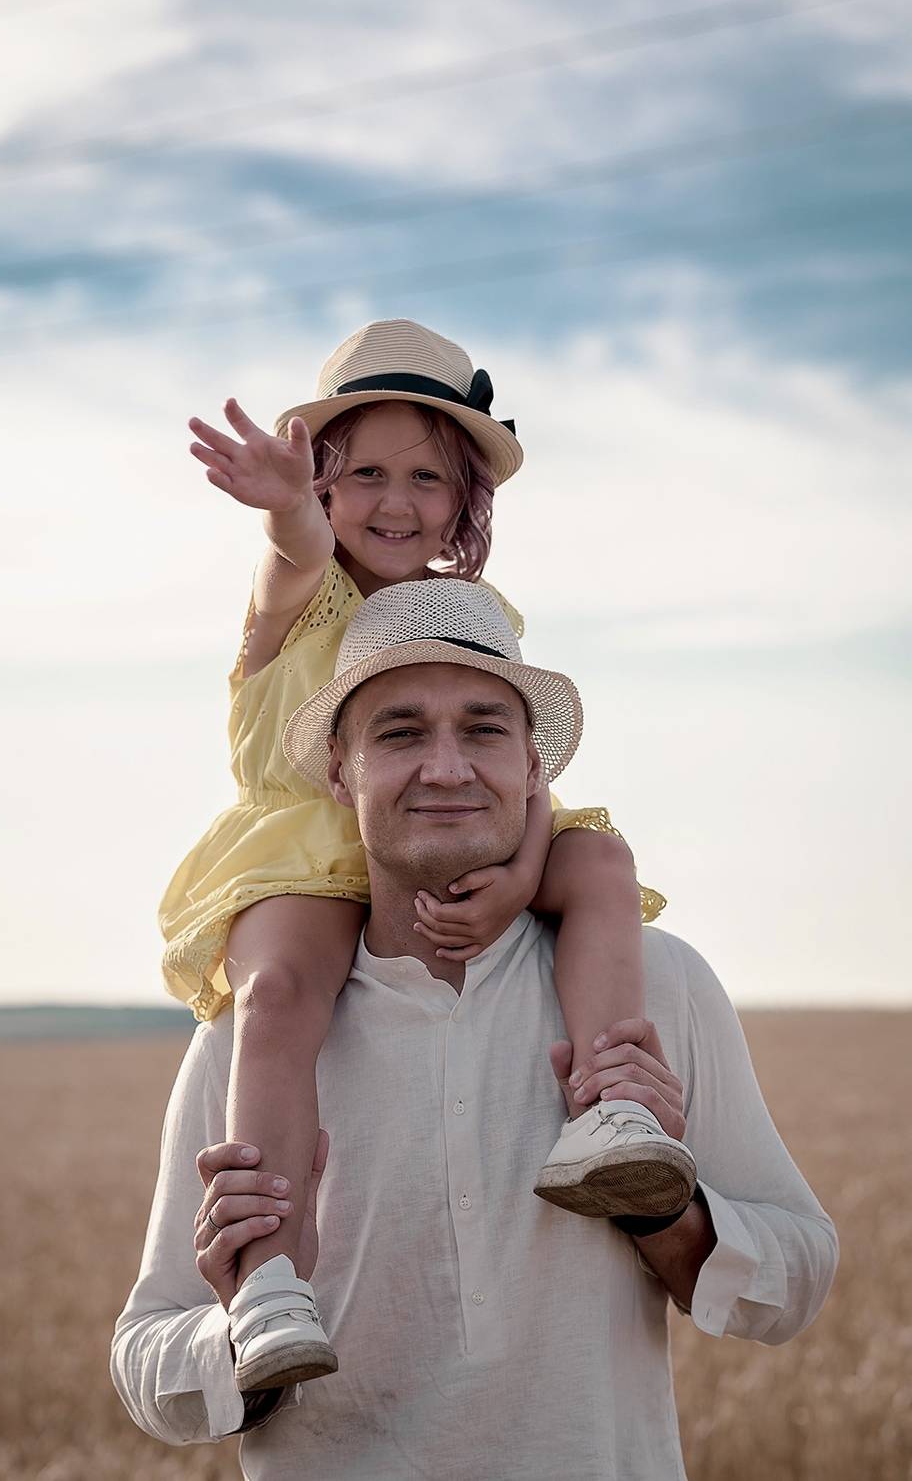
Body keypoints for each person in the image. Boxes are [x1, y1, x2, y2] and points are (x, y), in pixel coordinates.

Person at [111, 579, 838, 1481]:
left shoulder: (661, 984)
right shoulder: (251, 1033)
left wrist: (663, 1212)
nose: (447, 768)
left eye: (484, 729)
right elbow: (144, 1355)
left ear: (533, 768)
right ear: (340, 772)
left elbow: (798, 1278)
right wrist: (239, 1328)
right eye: (401, 733)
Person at [157, 319, 694, 1390]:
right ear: (320, 477)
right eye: (363, 474)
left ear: (464, 501)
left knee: (601, 865)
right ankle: (269, 1276)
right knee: (278, 996)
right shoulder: (300, 585)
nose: (395, 502)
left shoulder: (470, 612)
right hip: (311, 852)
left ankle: (612, 1112)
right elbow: (297, 547)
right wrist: (286, 509)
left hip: (450, 826)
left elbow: (521, 762)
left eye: (425, 477)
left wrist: (520, 873)